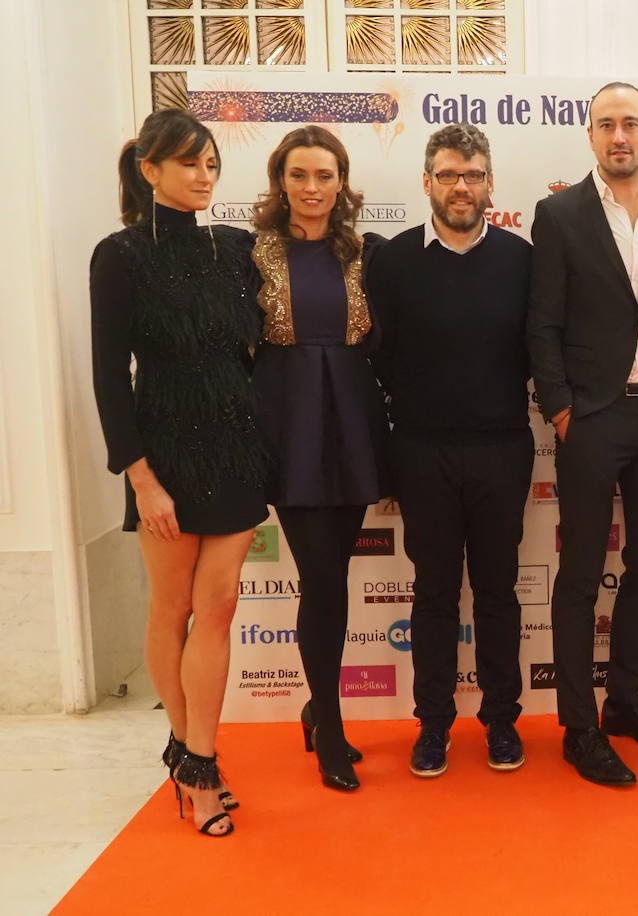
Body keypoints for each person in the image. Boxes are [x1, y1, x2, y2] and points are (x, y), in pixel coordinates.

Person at [91, 109, 265, 836]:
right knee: (174, 610)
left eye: (211, 163)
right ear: (150, 170)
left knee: (218, 608)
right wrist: (141, 478)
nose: (203, 176)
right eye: (188, 163)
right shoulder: (120, 255)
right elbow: (108, 375)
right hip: (162, 455)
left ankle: (200, 758)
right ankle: (189, 763)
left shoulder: (238, 249)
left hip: (238, 450)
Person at [527, 82, 638, 786]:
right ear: (589, 135)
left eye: (631, 124)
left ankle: (625, 702)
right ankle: (579, 726)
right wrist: (562, 409)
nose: (619, 135)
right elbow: (542, 322)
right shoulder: (559, 213)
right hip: (592, 418)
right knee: (578, 576)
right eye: (606, 125)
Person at [369, 124, 533, 778]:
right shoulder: (394, 261)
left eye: (472, 175)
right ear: (427, 182)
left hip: (502, 449)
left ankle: (501, 724)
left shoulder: (523, 260)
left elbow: (534, 353)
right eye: (447, 175)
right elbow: (378, 361)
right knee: (433, 593)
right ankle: (433, 726)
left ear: (490, 183)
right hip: (422, 451)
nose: (460, 187)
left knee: (497, 592)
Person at [249, 126, 388, 792]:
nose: (311, 188)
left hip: (355, 422)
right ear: (281, 181)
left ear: (342, 182)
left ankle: (317, 708)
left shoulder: (365, 251)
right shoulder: (251, 254)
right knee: (323, 578)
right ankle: (328, 723)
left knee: (338, 575)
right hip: (290, 424)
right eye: (299, 175)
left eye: (324, 176)